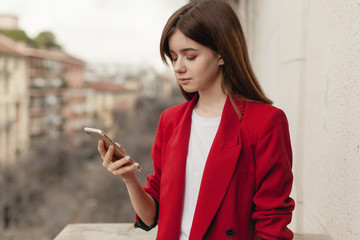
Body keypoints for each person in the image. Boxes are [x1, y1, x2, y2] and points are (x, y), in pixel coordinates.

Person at [98, 0, 295, 239]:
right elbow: (152, 216)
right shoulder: (170, 121)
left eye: (190, 56)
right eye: (173, 57)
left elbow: (272, 221)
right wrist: (128, 177)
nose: (178, 67)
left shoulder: (265, 122)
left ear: (222, 54)